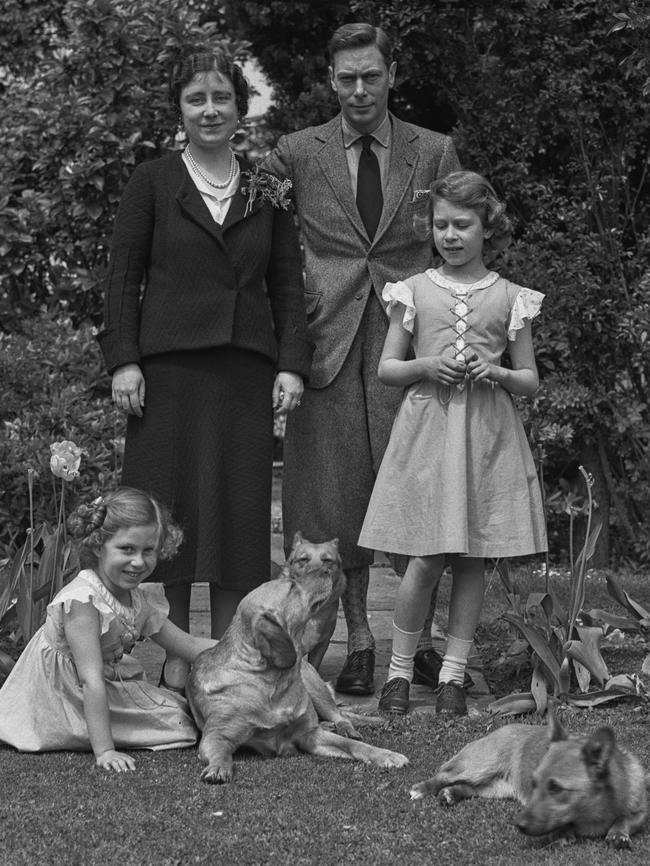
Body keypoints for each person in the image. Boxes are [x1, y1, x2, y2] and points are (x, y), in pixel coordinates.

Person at [98, 47, 313, 692]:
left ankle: (227, 661)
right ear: (180, 109)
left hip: (243, 375)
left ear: (240, 109)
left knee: (235, 516)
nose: (210, 109)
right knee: (166, 519)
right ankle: (171, 662)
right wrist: (124, 361)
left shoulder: (265, 188)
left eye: (222, 98)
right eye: (197, 99)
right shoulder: (153, 182)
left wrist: (291, 367)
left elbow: (286, 289)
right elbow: (122, 279)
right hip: (166, 378)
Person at [262, 22, 460, 695]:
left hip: (414, 344)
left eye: (369, 76)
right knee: (332, 496)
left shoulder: (434, 152)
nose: (357, 90)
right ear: (330, 80)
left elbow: (460, 242)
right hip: (326, 340)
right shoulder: (294, 152)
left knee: (419, 491)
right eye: (345, 78)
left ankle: (419, 644)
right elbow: (257, 242)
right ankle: (361, 642)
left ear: (391, 74)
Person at [359, 170, 547, 716]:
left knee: (472, 561)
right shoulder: (414, 290)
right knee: (423, 558)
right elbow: (388, 367)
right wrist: (428, 364)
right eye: (441, 224)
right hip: (427, 434)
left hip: (487, 435)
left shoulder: (511, 297)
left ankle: (454, 677)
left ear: (488, 226)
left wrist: (497, 371)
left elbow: (529, 378)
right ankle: (398, 672)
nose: (450, 235)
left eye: (463, 225)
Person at [0, 488, 217, 772]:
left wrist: (247, 647)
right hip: (59, 694)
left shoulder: (139, 599)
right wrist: (105, 751)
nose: (138, 562)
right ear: (99, 546)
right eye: (127, 549)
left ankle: (113, 725)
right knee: (180, 726)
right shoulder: (83, 601)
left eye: (148, 551)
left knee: (181, 719)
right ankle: (86, 733)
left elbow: (187, 644)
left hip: (98, 687)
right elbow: (89, 680)